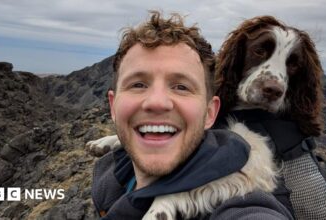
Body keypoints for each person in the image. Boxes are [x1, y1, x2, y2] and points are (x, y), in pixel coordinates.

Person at [91, 11, 293, 219]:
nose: (157, 102)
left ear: (210, 113)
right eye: (138, 84)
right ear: (113, 106)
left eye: (181, 86)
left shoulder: (243, 206)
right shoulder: (112, 180)